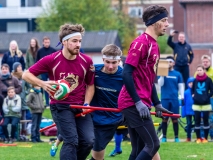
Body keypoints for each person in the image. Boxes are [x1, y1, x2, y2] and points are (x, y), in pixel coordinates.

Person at [22, 23, 95, 160]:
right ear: (64, 42)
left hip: (81, 107)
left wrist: (87, 103)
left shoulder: (87, 61)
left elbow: (90, 85)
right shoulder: (51, 59)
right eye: (74, 41)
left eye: (80, 41)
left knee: (88, 141)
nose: (78, 44)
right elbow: (26, 75)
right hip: (61, 106)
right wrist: (42, 84)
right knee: (71, 141)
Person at [117, 5, 173, 160]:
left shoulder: (155, 45)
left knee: (138, 149)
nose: (167, 24)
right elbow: (126, 73)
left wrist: (157, 103)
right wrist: (137, 102)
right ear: (153, 22)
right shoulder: (140, 43)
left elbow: (148, 79)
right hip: (131, 102)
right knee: (153, 144)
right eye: (164, 20)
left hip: (141, 101)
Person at [90, 44, 123, 160]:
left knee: (147, 144)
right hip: (96, 117)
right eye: (107, 62)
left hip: (116, 116)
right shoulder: (93, 71)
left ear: (119, 61)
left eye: (114, 63)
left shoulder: (125, 76)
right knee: (96, 155)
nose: (110, 66)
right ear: (102, 59)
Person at [158, 56, 184, 143]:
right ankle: (164, 137)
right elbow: (160, 84)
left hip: (174, 99)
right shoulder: (162, 73)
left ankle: (176, 137)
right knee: (164, 118)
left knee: (175, 119)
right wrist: (162, 75)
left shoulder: (177, 74)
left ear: (173, 63)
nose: (169, 63)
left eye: (170, 61)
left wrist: (182, 96)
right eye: (167, 62)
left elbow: (181, 86)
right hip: (165, 99)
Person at [192, 65, 213, 143]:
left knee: (205, 121)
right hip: (196, 104)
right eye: (198, 70)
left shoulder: (208, 80)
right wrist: (193, 96)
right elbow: (192, 90)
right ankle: (198, 138)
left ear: (204, 70)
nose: (199, 71)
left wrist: (207, 97)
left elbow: (212, 90)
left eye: (200, 70)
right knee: (197, 121)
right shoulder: (195, 80)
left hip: (206, 104)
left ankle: (205, 138)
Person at [11, 62, 31, 136]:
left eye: (21, 66)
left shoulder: (24, 76)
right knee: (16, 116)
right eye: (18, 67)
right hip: (15, 99)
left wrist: (25, 93)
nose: (20, 68)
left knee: (24, 116)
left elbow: (29, 86)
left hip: (23, 100)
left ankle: (24, 132)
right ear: (15, 68)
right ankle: (17, 133)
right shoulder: (12, 77)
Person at [36, 36, 56, 108]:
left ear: (49, 42)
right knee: (44, 87)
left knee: (53, 87)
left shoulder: (53, 50)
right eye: (45, 42)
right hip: (43, 71)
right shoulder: (40, 51)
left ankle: (53, 101)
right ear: (43, 43)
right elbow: (37, 62)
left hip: (51, 71)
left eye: (48, 42)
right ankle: (46, 103)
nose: (47, 44)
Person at [182, 77, 195, 142]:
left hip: (195, 110)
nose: (191, 84)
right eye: (189, 83)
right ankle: (188, 137)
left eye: (192, 82)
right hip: (188, 111)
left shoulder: (196, 91)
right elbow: (184, 103)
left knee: (197, 124)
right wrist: (183, 112)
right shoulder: (186, 92)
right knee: (189, 124)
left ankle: (199, 136)